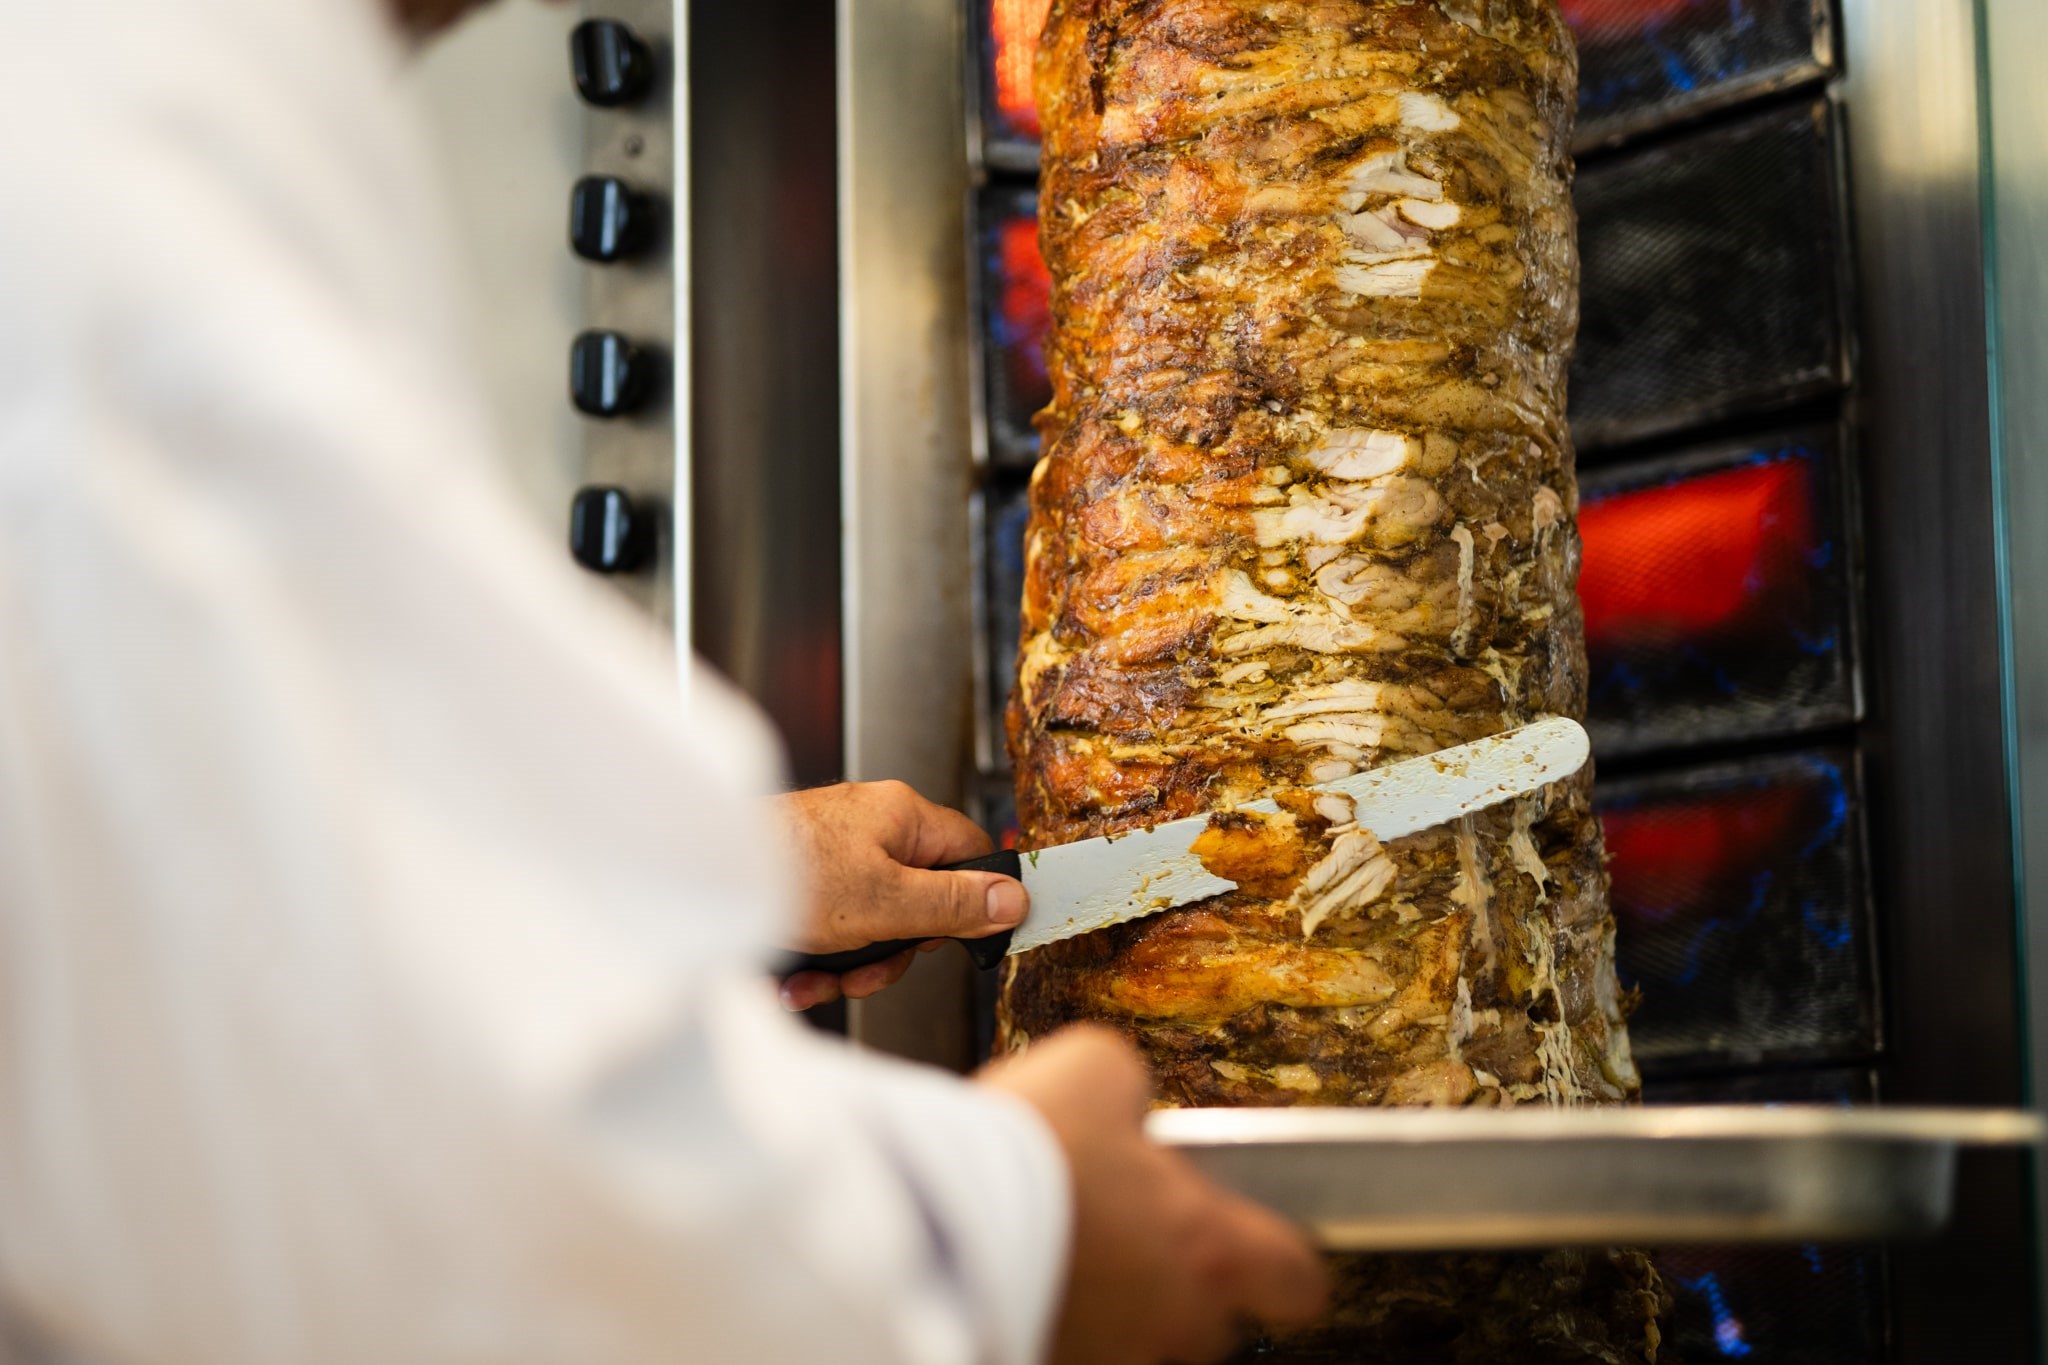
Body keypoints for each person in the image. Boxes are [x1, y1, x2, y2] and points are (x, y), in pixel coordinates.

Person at [0, 0, 1328, 1362]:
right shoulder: (119, 161)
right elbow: (387, 1187)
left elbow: (223, 899)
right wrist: (1005, 1239)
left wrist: (697, 887)